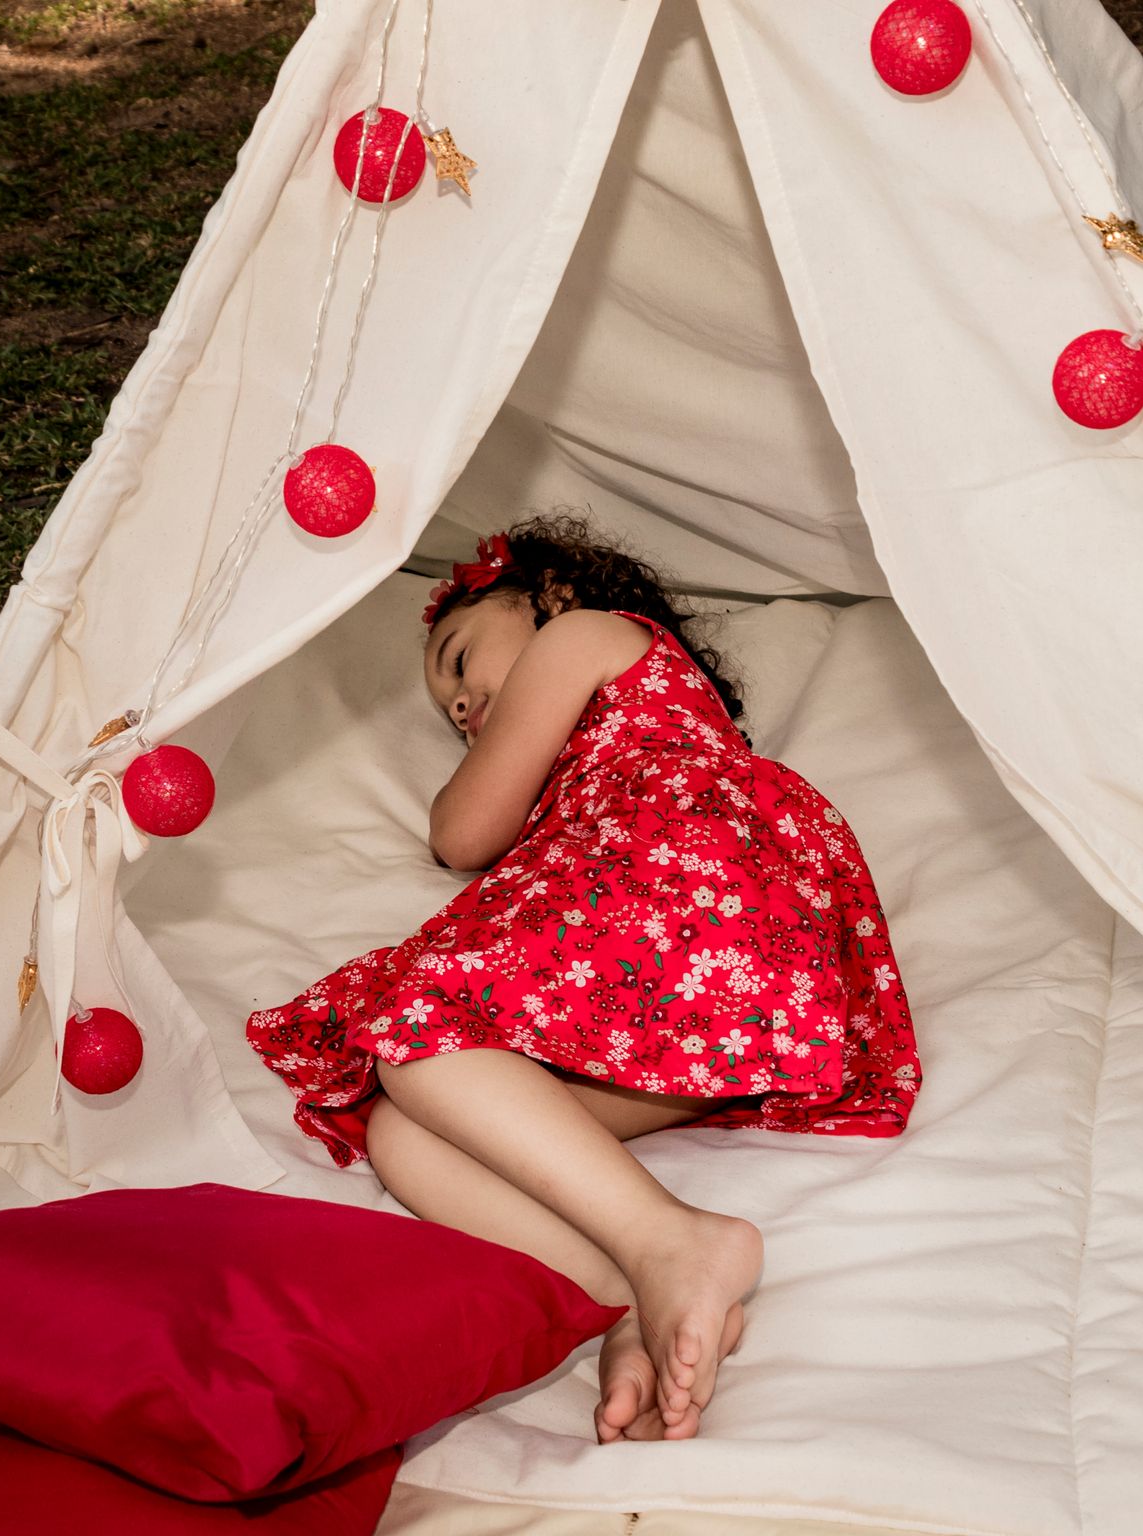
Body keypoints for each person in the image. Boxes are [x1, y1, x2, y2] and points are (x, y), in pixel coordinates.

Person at [246, 511, 921, 1444]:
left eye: (459, 658)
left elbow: (460, 835)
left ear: (548, 596)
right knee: (410, 1130)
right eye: (447, 707)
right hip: (724, 1005)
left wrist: (484, 777)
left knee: (416, 1039)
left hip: (696, 895)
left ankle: (674, 1240)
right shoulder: (610, 748)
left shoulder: (586, 639)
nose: (456, 707)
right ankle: (630, 1299)